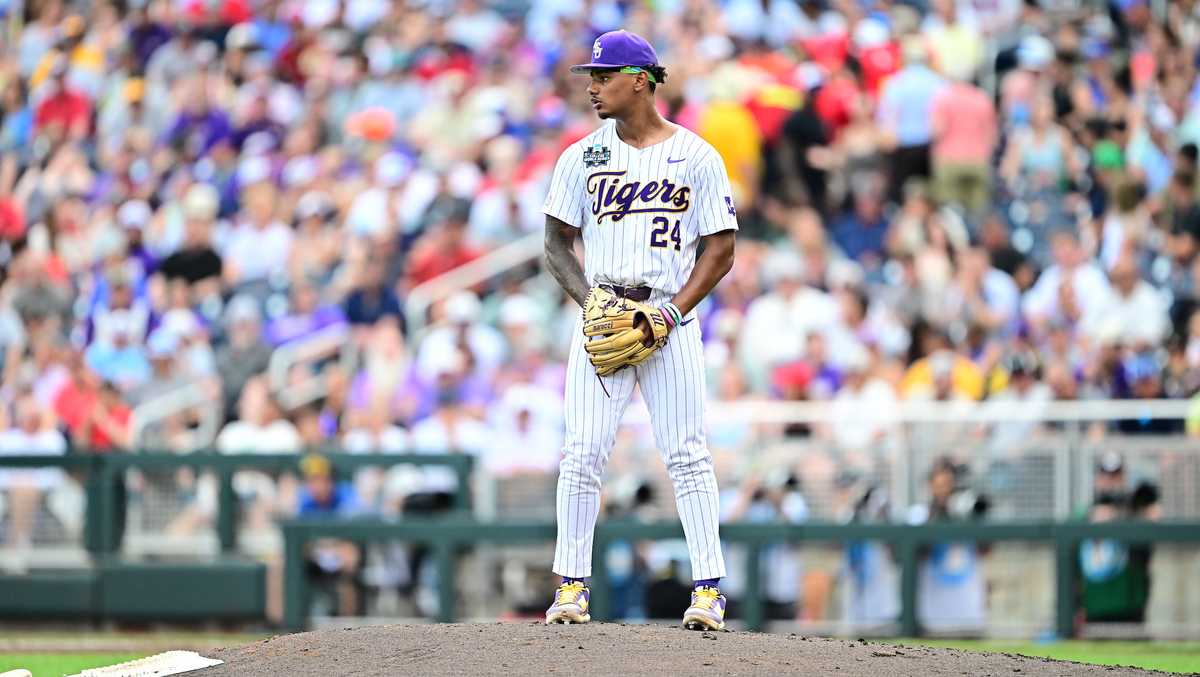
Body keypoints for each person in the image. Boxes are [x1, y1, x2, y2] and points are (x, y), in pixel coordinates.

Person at [541, 30, 737, 630]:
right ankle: (570, 588)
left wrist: (671, 312)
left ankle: (708, 591)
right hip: (605, 317)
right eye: (591, 77)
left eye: (604, 76)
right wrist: (589, 303)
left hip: (668, 318)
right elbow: (554, 244)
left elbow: (722, 249)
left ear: (642, 80)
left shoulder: (697, 156)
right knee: (582, 453)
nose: (593, 86)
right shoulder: (582, 156)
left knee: (687, 454)